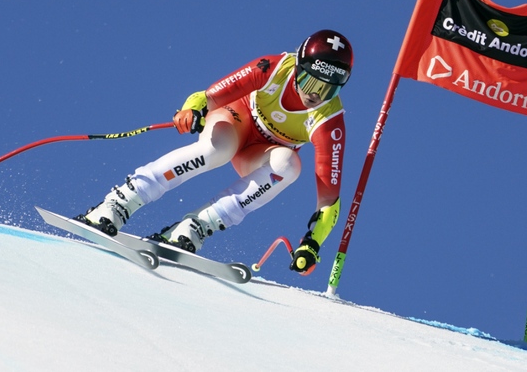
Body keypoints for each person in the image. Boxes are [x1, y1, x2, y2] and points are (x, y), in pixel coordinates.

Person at [77, 29, 353, 275]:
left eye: (327, 89)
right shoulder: (274, 68)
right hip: (238, 119)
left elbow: (329, 199)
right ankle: (120, 202)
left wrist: (313, 243)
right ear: (298, 67)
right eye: (310, 82)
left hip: (261, 153)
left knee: (288, 165)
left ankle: (197, 226)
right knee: (216, 150)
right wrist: (192, 109)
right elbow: (208, 96)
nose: (315, 95)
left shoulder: (329, 120)